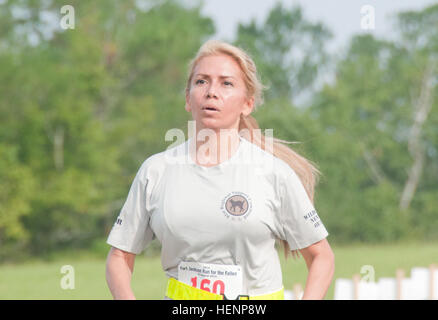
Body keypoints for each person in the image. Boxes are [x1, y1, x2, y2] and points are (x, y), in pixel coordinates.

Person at [105, 40, 335, 300]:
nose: (211, 92)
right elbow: (119, 257)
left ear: (247, 104)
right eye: (201, 81)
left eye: (226, 83)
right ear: (188, 99)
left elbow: (322, 257)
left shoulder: (274, 173)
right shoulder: (155, 171)